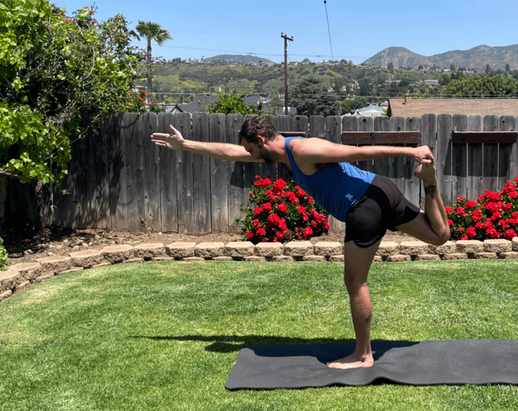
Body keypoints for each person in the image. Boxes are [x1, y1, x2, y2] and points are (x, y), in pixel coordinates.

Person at [151, 116, 450, 369]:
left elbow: (355, 152)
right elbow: (230, 152)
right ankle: (428, 180)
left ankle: (363, 355)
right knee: (439, 236)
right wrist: (185, 144)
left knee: (354, 280)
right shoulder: (281, 153)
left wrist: (410, 151)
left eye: (251, 148)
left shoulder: (303, 149)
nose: (250, 154)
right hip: (381, 191)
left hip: (365, 206)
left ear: (260, 139)